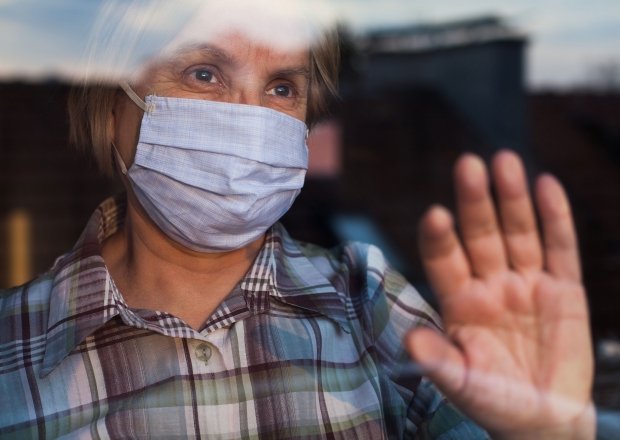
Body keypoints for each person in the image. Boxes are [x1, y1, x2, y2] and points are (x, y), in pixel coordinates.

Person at [0, 2, 595, 438]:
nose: (250, 118)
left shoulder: (369, 301)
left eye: (283, 87)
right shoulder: (13, 347)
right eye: (204, 73)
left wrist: (545, 433)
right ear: (110, 112)